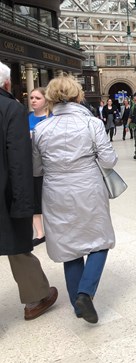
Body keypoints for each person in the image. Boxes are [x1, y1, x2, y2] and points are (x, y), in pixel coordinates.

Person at [32, 75, 116, 324]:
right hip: (88, 187)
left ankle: (78, 306)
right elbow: (108, 160)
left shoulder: (40, 129)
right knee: (100, 240)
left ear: (50, 98)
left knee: (70, 247)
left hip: (56, 191)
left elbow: (36, 169)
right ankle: (85, 293)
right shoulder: (92, 124)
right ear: (77, 95)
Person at [0, 63, 58, 321]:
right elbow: (19, 161)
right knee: (16, 246)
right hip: (4, 194)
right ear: (7, 84)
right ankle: (36, 299)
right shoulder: (11, 108)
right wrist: (24, 203)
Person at [28, 87, 50, 245]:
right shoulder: (26, 118)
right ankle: (40, 233)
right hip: (31, 166)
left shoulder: (52, 118)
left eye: (37, 98)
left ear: (46, 100)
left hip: (49, 167)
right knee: (34, 199)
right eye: (31, 98)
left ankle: (52, 230)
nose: (33, 101)